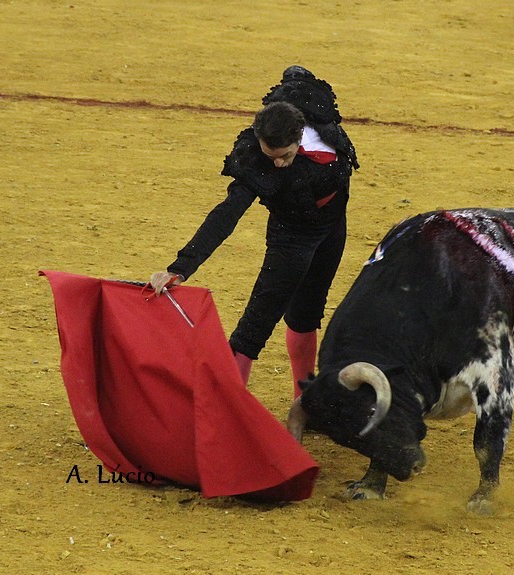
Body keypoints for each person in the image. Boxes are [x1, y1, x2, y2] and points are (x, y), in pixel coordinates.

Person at [150, 66, 359, 398]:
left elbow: (296, 76)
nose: (277, 164)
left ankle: (304, 402)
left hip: (333, 229)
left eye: (285, 156)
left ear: (299, 135)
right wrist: (181, 267)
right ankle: (225, 413)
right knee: (254, 327)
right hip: (291, 237)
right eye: (269, 155)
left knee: (306, 315)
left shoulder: (314, 112)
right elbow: (227, 214)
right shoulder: (254, 158)